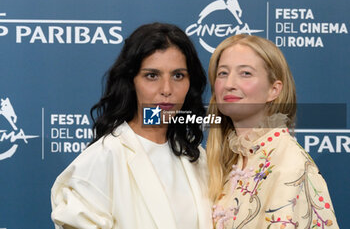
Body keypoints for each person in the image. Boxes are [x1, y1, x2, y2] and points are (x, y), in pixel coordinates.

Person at [51, 22, 212, 229]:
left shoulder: (197, 156)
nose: (166, 89)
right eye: (152, 75)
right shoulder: (104, 157)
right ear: (131, 81)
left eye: (178, 75)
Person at [206, 34, 339, 229]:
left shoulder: (289, 164)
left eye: (245, 73)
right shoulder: (230, 160)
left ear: (274, 90)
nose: (229, 84)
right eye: (223, 73)